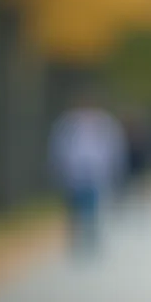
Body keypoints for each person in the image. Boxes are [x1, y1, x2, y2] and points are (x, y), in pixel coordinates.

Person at [47, 90, 126, 257]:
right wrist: (60, 167)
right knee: (75, 205)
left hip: (96, 170)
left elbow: (113, 146)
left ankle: (91, 236)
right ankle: (76, 237)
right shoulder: (68, 124)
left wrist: (113, 167)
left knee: (93, 204)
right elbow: (58, 147)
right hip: (74, 170)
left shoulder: (103, 123)